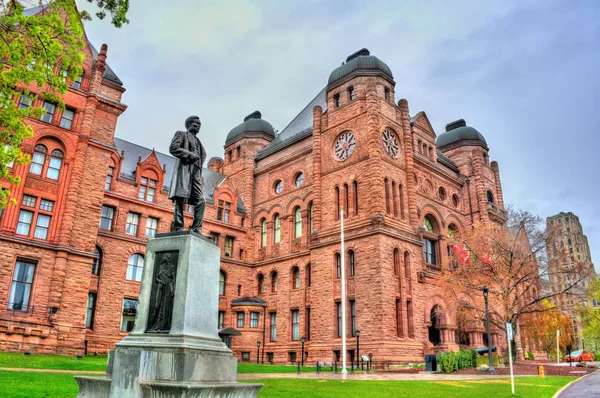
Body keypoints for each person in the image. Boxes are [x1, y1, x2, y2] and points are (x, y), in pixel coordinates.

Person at [168, 115, 206, 233]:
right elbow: (173, 148)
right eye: (196, 124)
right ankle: (178, 226)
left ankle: (196, 228)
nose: (198, 126)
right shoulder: (181, 134)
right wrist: (189, 155)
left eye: (199, 124)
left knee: (201, 200)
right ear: (189, 124)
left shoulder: (199, 142)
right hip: (184, 169)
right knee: (180, 198)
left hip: (196, 172)